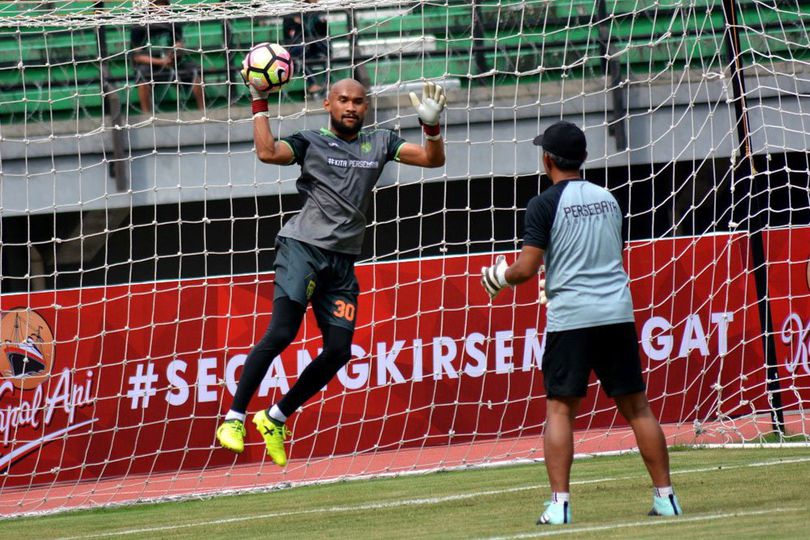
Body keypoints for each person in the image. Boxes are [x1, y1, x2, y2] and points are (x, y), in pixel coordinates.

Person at [216, 76, 447, 466]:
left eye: (358, 101)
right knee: (282, 333)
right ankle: (234, 418)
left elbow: (432, 160)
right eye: (343, 100)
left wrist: (432, 128)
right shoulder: (310, 141)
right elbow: (269, 153)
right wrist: (258, 100)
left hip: (341, 262)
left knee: (339, 351)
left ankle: (274, 417)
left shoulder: (381, 143)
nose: (351, 107)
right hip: (302, 249)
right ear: (328, 105)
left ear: (366, 107)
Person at [480, 121, 682, 525]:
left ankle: (560, 505)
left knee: (559, 411)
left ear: (547, 159)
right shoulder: (608, 198)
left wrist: (501, 275)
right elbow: (607, 254)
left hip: (572, 317)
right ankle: (667, 498)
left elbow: (527, 267)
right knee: (638, 408)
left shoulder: (543, 204)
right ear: (584, 158)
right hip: (616, 313)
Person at [130, 0, 205, 114]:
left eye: (164, 5)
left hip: (172, 61)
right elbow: (137, 57)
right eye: (158, 5)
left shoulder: (173, 23)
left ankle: (203, 111)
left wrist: (177, 51)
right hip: (151, 64)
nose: (161, 9)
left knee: (195, 71)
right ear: (150, 8)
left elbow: (179, 44)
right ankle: (146, 114)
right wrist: (161, 61)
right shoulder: (140, 25)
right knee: (142, 78)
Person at [282, 0, 329, 98]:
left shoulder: (315, 14)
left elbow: (324, 34)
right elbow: (290, 39)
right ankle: (312, 84)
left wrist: (322, 24)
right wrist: (298, 24)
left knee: (324, 50)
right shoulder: (290, 16)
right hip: (297, 49)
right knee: (302, 51)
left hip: (312, 47)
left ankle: (328, 83)